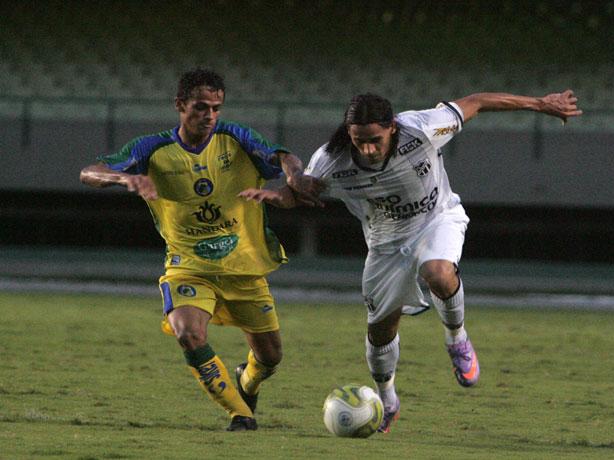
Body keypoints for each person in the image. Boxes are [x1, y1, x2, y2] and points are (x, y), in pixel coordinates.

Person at [239, 90, 582, 433]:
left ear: (392, 128)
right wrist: (277, 197)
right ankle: (387, 399)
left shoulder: (421, 127)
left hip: (438, 218)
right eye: (359, 141)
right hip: (386, 243)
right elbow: (300, 191)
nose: (368, 150)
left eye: (375, 140)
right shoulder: (332, 159)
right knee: (380, 330)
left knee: (438, 271)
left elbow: (476, 102)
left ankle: (456, 337)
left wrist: (539, 104)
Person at [80, 67, 323, 431]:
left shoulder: (237, 138)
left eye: (216, 107)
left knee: (270, 358)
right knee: (188, 334)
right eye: (200, 107)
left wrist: (292, 175)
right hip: (188, 267)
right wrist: (123, 176)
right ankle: (240, 414)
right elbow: (89, 172)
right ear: (180, 105)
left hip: (244, 269)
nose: (208, 115)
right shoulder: (151, 148)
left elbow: (282, 156)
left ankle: (247, 381)